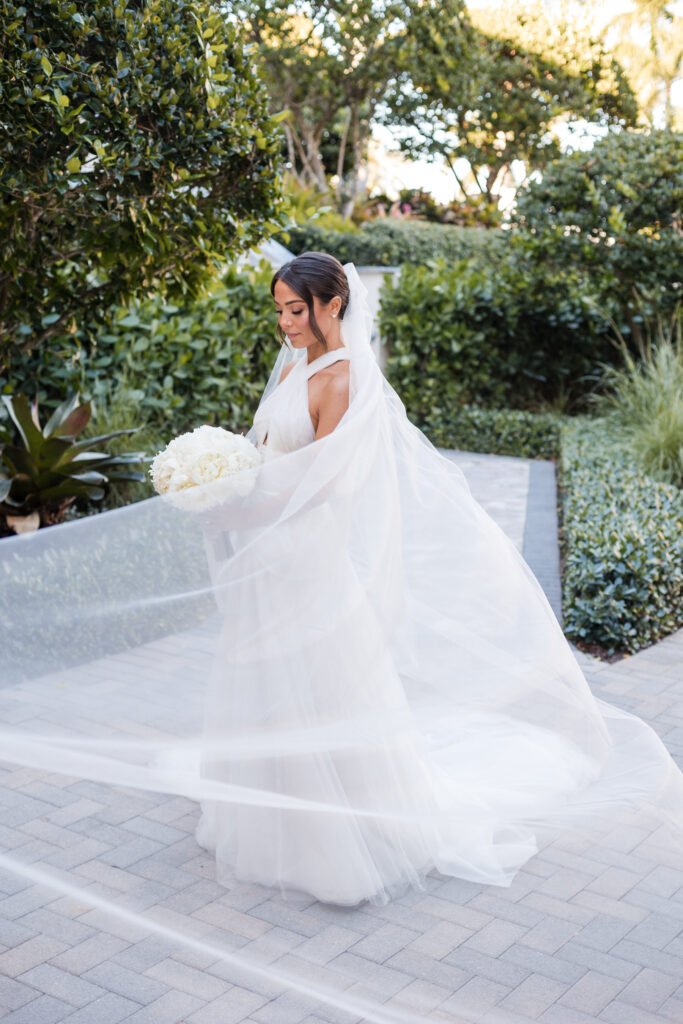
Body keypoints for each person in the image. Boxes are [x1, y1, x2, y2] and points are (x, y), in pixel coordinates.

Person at [187, 251, 683, 907]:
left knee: (312, 677)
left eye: (295, 310)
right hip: (268, 551)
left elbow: (328, 483)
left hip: (304, 555)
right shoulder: (296, 364)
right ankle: (262, 810)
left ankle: (338, 843)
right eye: (279, 310)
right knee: (264, 673)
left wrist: (243, 507)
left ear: (333, 306)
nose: (285, 322)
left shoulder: (338, 379)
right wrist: (225, 480)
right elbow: (273, 452)